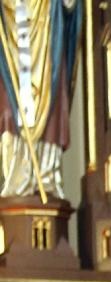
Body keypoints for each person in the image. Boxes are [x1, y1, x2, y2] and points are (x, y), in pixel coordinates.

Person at [0, 0, 82, 198]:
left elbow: (71, 7)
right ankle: (17, 176)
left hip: (47, 29)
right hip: (13, 25)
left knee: (51, 107)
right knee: (10, 109)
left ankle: (46, 175)